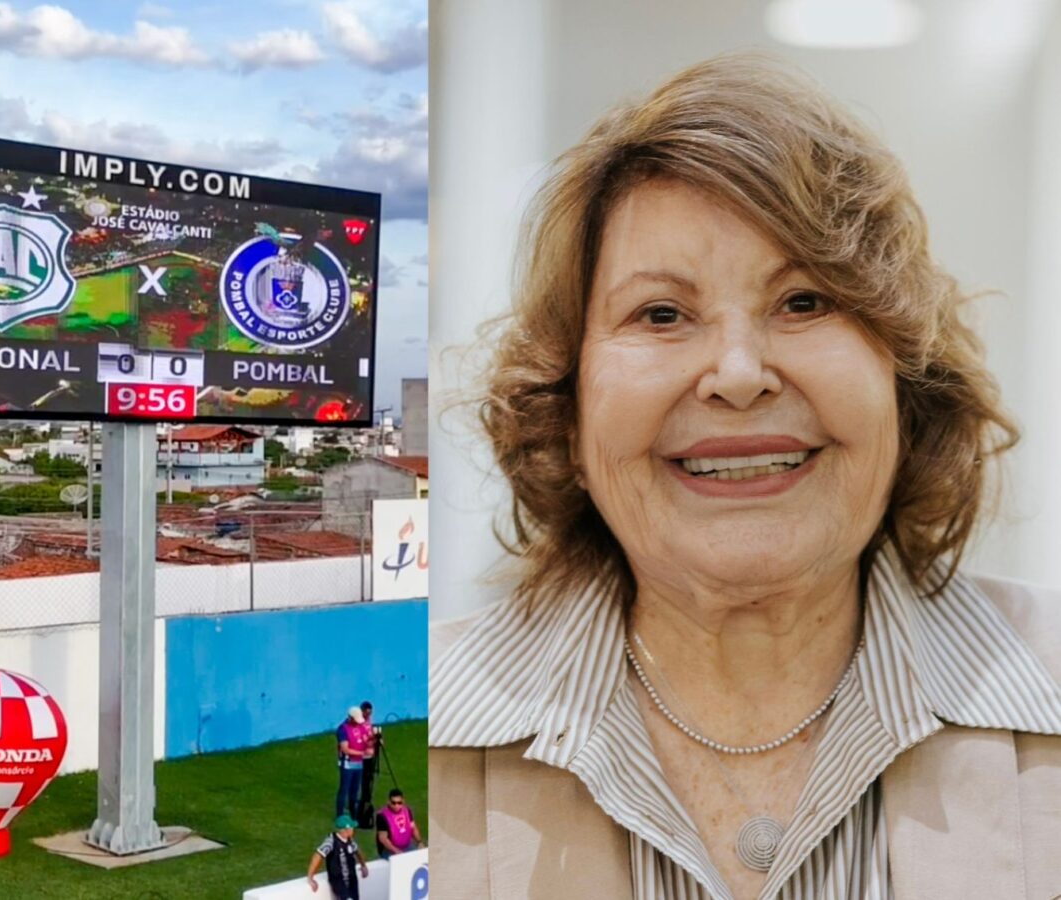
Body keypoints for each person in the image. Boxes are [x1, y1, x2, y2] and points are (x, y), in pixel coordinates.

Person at [429, 53, 1061, 899]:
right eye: (660, 314)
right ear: (567, 417)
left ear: (904, 391)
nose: (736, 372)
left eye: (804, 302)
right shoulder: (420, 718)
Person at [307, 815, 369, 899]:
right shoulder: (331, 842)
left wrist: (363, 865)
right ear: (347, 829)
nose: (353, 830)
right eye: (352, 828)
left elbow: (358, 851)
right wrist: (310, 877)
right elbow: (317, 855)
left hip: (351, 880)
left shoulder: (350, 841)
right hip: (338, 881)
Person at [334, 706, 368, 819]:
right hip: (347, 764)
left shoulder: (360, 726)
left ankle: (354, 814)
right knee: (344, 789)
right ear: (351, 718)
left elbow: (366, 738)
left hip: (358, 764)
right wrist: (362, 753)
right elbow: (345, 749)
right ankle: (340, 815)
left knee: (355, 789)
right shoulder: (342, 729)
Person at [375, 788, 425, 859]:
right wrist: (397, 851)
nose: (396, 806)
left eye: (399, 803)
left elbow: (413, 828)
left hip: (407, 846)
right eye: (393, 803)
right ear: (388, 802)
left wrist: (419, 842)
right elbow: (383, 838)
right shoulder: (381, 816)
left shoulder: (407, 811)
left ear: (403, 801)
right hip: (389, 850)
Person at [356, 700, 380, 824]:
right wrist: (372, 741)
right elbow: (361, 741)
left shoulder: (369, 722)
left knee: (368, 779)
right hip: (362, 756)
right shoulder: (358, 724)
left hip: (370, 755)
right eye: (366, 713)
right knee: (364, 780)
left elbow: (369, 733)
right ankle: (363, 803)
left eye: (370, 713)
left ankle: (366, 800)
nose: (368, 715)